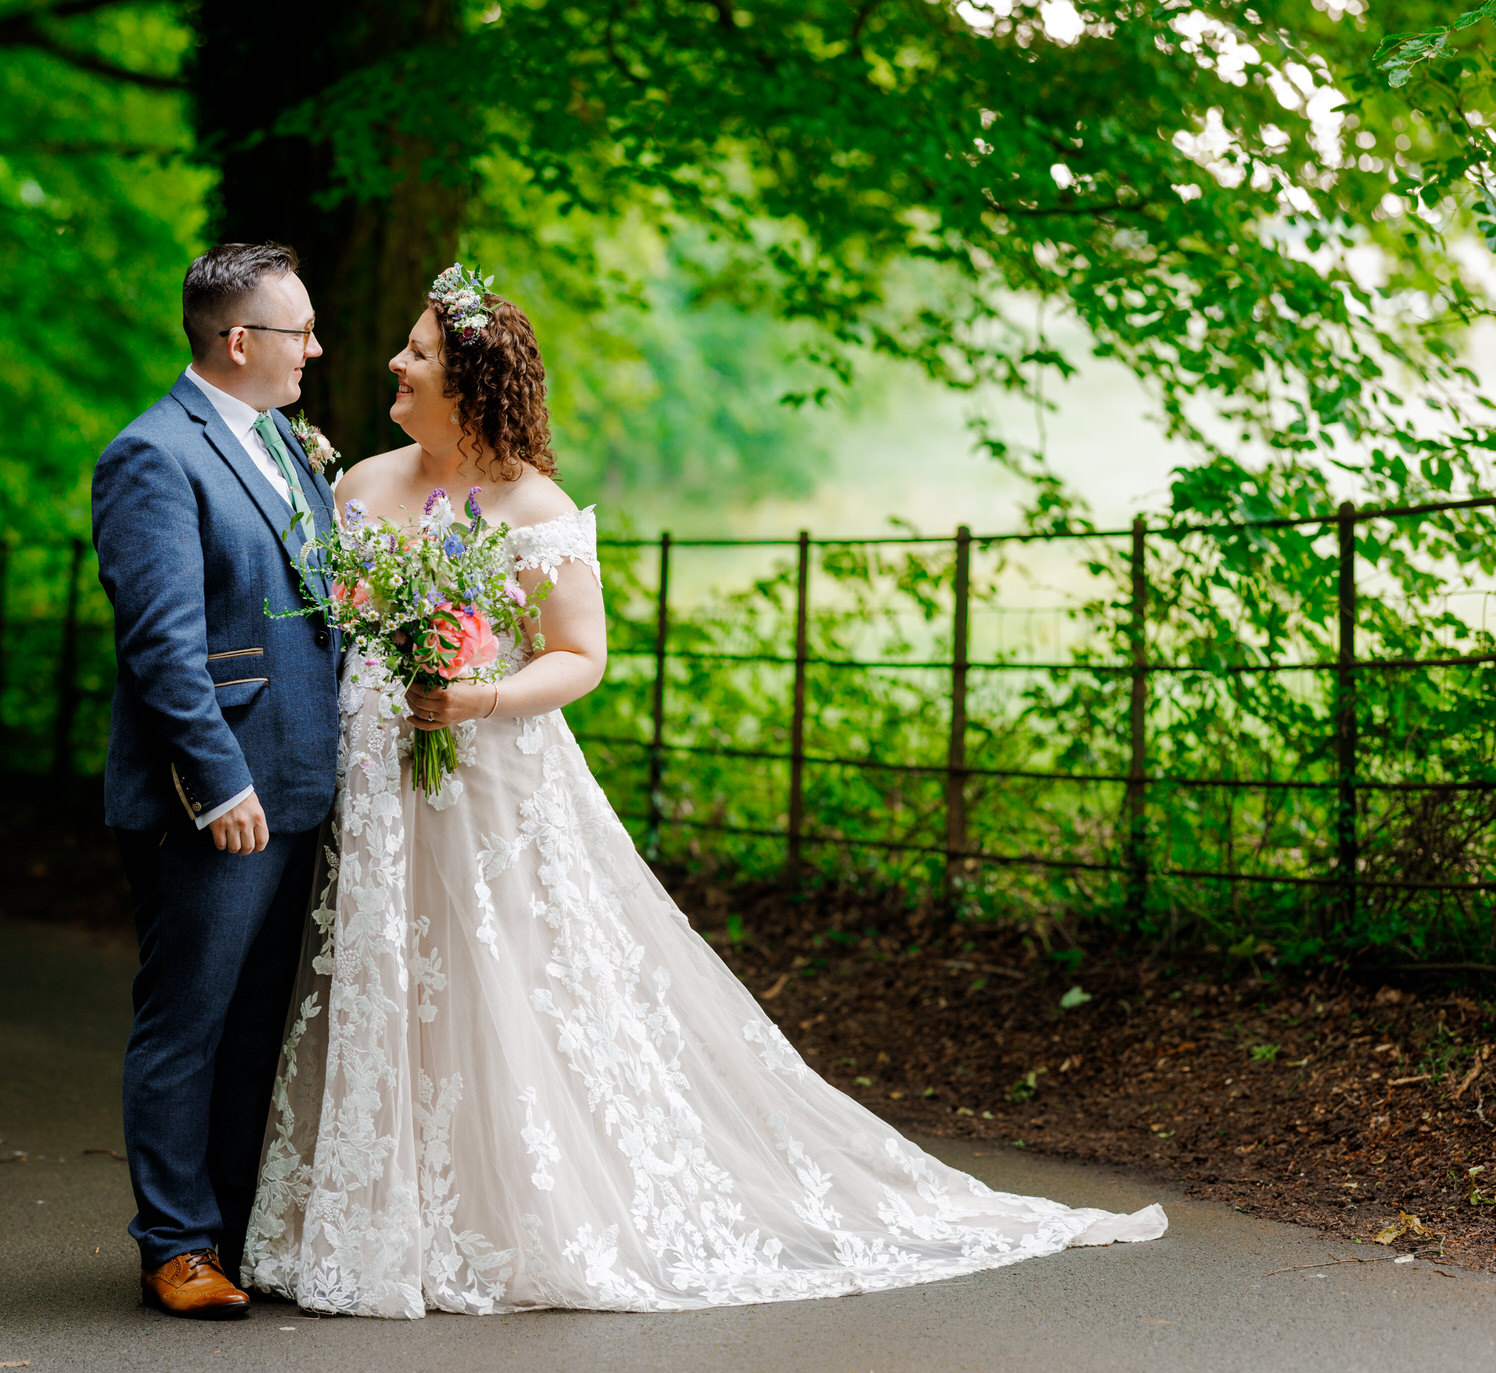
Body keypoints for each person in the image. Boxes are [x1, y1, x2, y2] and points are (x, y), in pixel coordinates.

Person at [242, 263, 1165, 1317]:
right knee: (384, 980)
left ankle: (497, 1219)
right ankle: (376, 1214)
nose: (395, 364)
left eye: (418, 352)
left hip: (487, 788)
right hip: (377, 792)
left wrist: (478, 697)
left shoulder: (534, 506)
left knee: (496, 991)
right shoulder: (357, 485)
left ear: (470, 383)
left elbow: (579, 656)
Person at [91, 241, 345, 1318]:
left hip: (298, 785)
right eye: (300, 332)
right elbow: (162, 646)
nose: (316, 350)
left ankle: (235, 1234)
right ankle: (175, 1246)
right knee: (187, 1020)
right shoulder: (153, 454)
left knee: (254, 1025)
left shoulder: (285, 442)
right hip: (218, 800)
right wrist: (218, 781)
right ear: (240, 341)